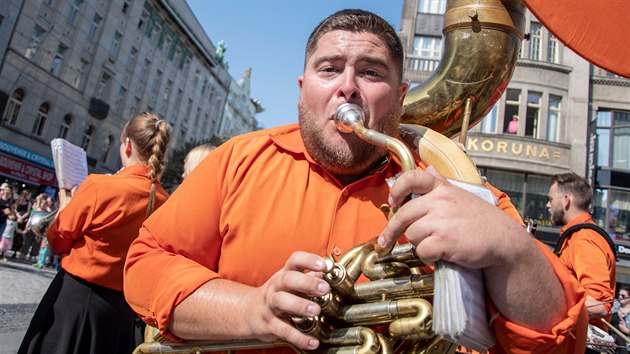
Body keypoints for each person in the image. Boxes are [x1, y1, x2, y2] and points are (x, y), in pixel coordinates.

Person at [124, 10, 587, 353]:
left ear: (401, 98)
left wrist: (511, 248)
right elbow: (145, 265)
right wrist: (251, 309)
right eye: (330, 70)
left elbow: (565, 338)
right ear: (303, 89)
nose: (348, 86)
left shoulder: (449, 184)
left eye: (370, 72)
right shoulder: (239, 159)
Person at [18, 112, 172, 354]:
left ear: (127, 146)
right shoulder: (166, 201)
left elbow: (57, 241)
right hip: (120, 313)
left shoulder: (101, 185)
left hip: (75, 302)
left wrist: (66, 206)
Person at [547, 172, 616, 350]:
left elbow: (600, 304)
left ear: (566, 200)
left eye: (551, 199)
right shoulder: (577, 237)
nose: (548, 205)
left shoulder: (584, 239)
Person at [614, 287, 630, 353]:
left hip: (625, 347)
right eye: (619, 295)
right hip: (612, 345)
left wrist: (626, 330)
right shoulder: (614, 308)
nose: (620, 297)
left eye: (623, 296)